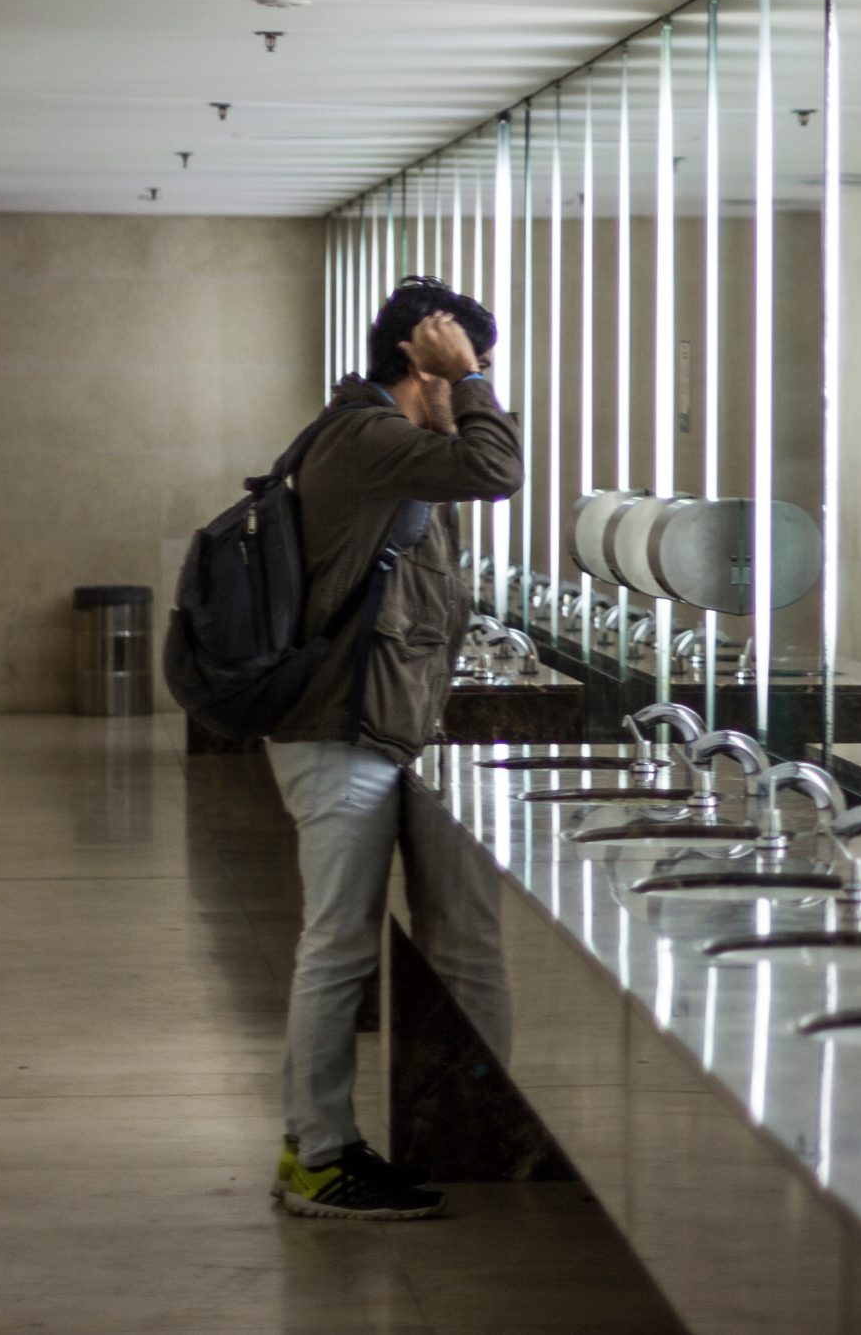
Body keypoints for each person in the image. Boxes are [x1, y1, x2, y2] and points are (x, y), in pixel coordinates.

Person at [265, 276, 523, 1219]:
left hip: (362, 724)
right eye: (470, 365)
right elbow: (499, 470)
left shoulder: (384, 446)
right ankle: (319, 1155)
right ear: (425, 360)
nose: (481, 383)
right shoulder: (371, 438)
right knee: (335, 946)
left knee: (336, 944)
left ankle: (319, 1144)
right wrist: (469, 386)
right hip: (340, 731)